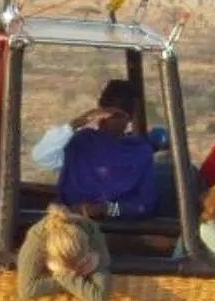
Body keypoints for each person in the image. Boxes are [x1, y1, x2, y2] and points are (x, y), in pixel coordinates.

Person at [45, 79, 169, 221]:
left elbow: (143, 206)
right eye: (104, 114)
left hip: (116, 231)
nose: (106, 120)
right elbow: (42, 156)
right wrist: (79, 121)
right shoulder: (81, 142)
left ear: (128, 119)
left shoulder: (139, 152)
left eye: (116, 116)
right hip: (67, 223)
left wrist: (108, 209)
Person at [16, 202, 111, 301]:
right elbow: (27, 291)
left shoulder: (91, 231)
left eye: (84, 261)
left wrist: (97, 262)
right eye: (77, 266)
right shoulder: (36, 241)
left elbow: (98, 298)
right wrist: (65, 276)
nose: (76, 271)